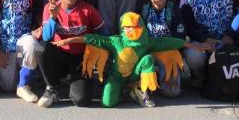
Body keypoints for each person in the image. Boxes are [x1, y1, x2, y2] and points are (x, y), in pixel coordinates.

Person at [55, 12, 207, 108]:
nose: (130, 30)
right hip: (116, 77)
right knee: (108, 103)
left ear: (140, 26)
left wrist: (193, 45)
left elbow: (170, 42)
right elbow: (93, 39)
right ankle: (126, 91)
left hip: (135, 74)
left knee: (147, 59)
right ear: (122, 28)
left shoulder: (148, 41)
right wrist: (71, 40)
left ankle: (141, 89)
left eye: (134, 26)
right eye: (127, 27)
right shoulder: (116, 41)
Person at [37, 0, 104, 108]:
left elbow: (103, 36)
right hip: (60, 57)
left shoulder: (88, 10)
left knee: (81, 100)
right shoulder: (49, 9)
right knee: (41, 48)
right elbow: (46, 37)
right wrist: (53, 17)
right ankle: (52, 88)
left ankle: (76, 82)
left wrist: (80, 42)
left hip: (80, 59)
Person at [179, 0, 239, 87]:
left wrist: (230, 36)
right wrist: (205, 39)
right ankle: (202, 76)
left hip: (228, 39)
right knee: (193, 56)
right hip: (203, 41)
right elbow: (188, 25)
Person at [138, 0, 187, 97]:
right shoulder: (142, 9)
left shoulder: (174, 10)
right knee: (141, 60)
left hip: (167, 52)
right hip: (147, 51)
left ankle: (167, 76)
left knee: (172, 92)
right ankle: (141, 83)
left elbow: (179, 37)